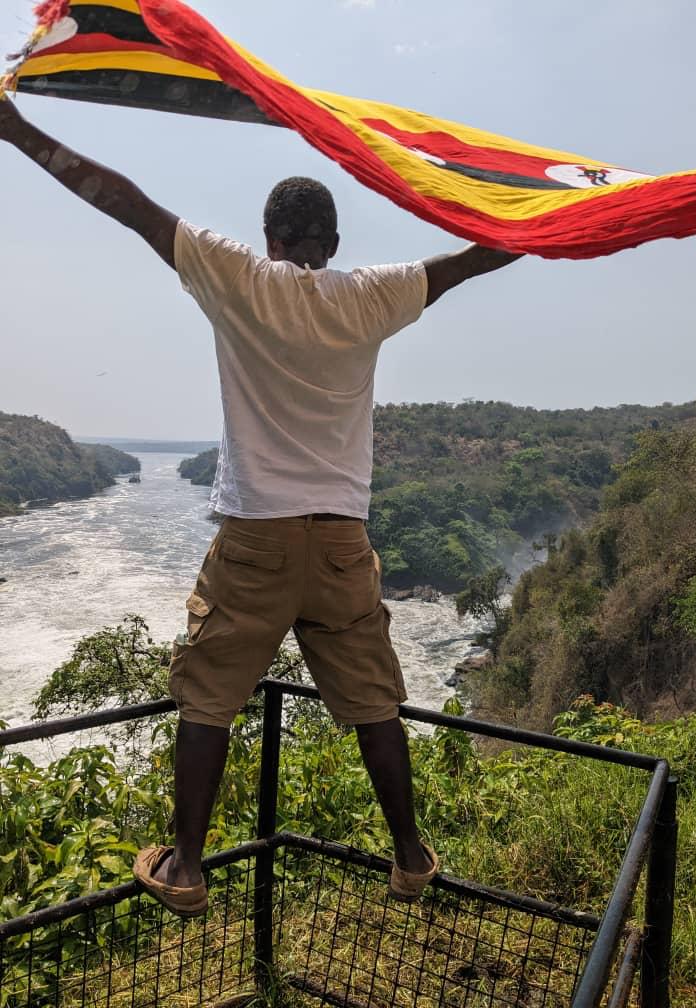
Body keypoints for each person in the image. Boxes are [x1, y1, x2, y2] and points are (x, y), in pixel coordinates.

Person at [0, 94, 523, 916]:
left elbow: (125, 201)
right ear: (334, 244)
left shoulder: (239, 277)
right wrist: (548, 225)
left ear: (271, 237)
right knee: (375, 701)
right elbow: (471, 262)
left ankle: (186, 868)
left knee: (208, 698)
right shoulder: (372, 294)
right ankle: (411, 854)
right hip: (344, 542)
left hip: (257, 539)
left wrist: (16, 130)